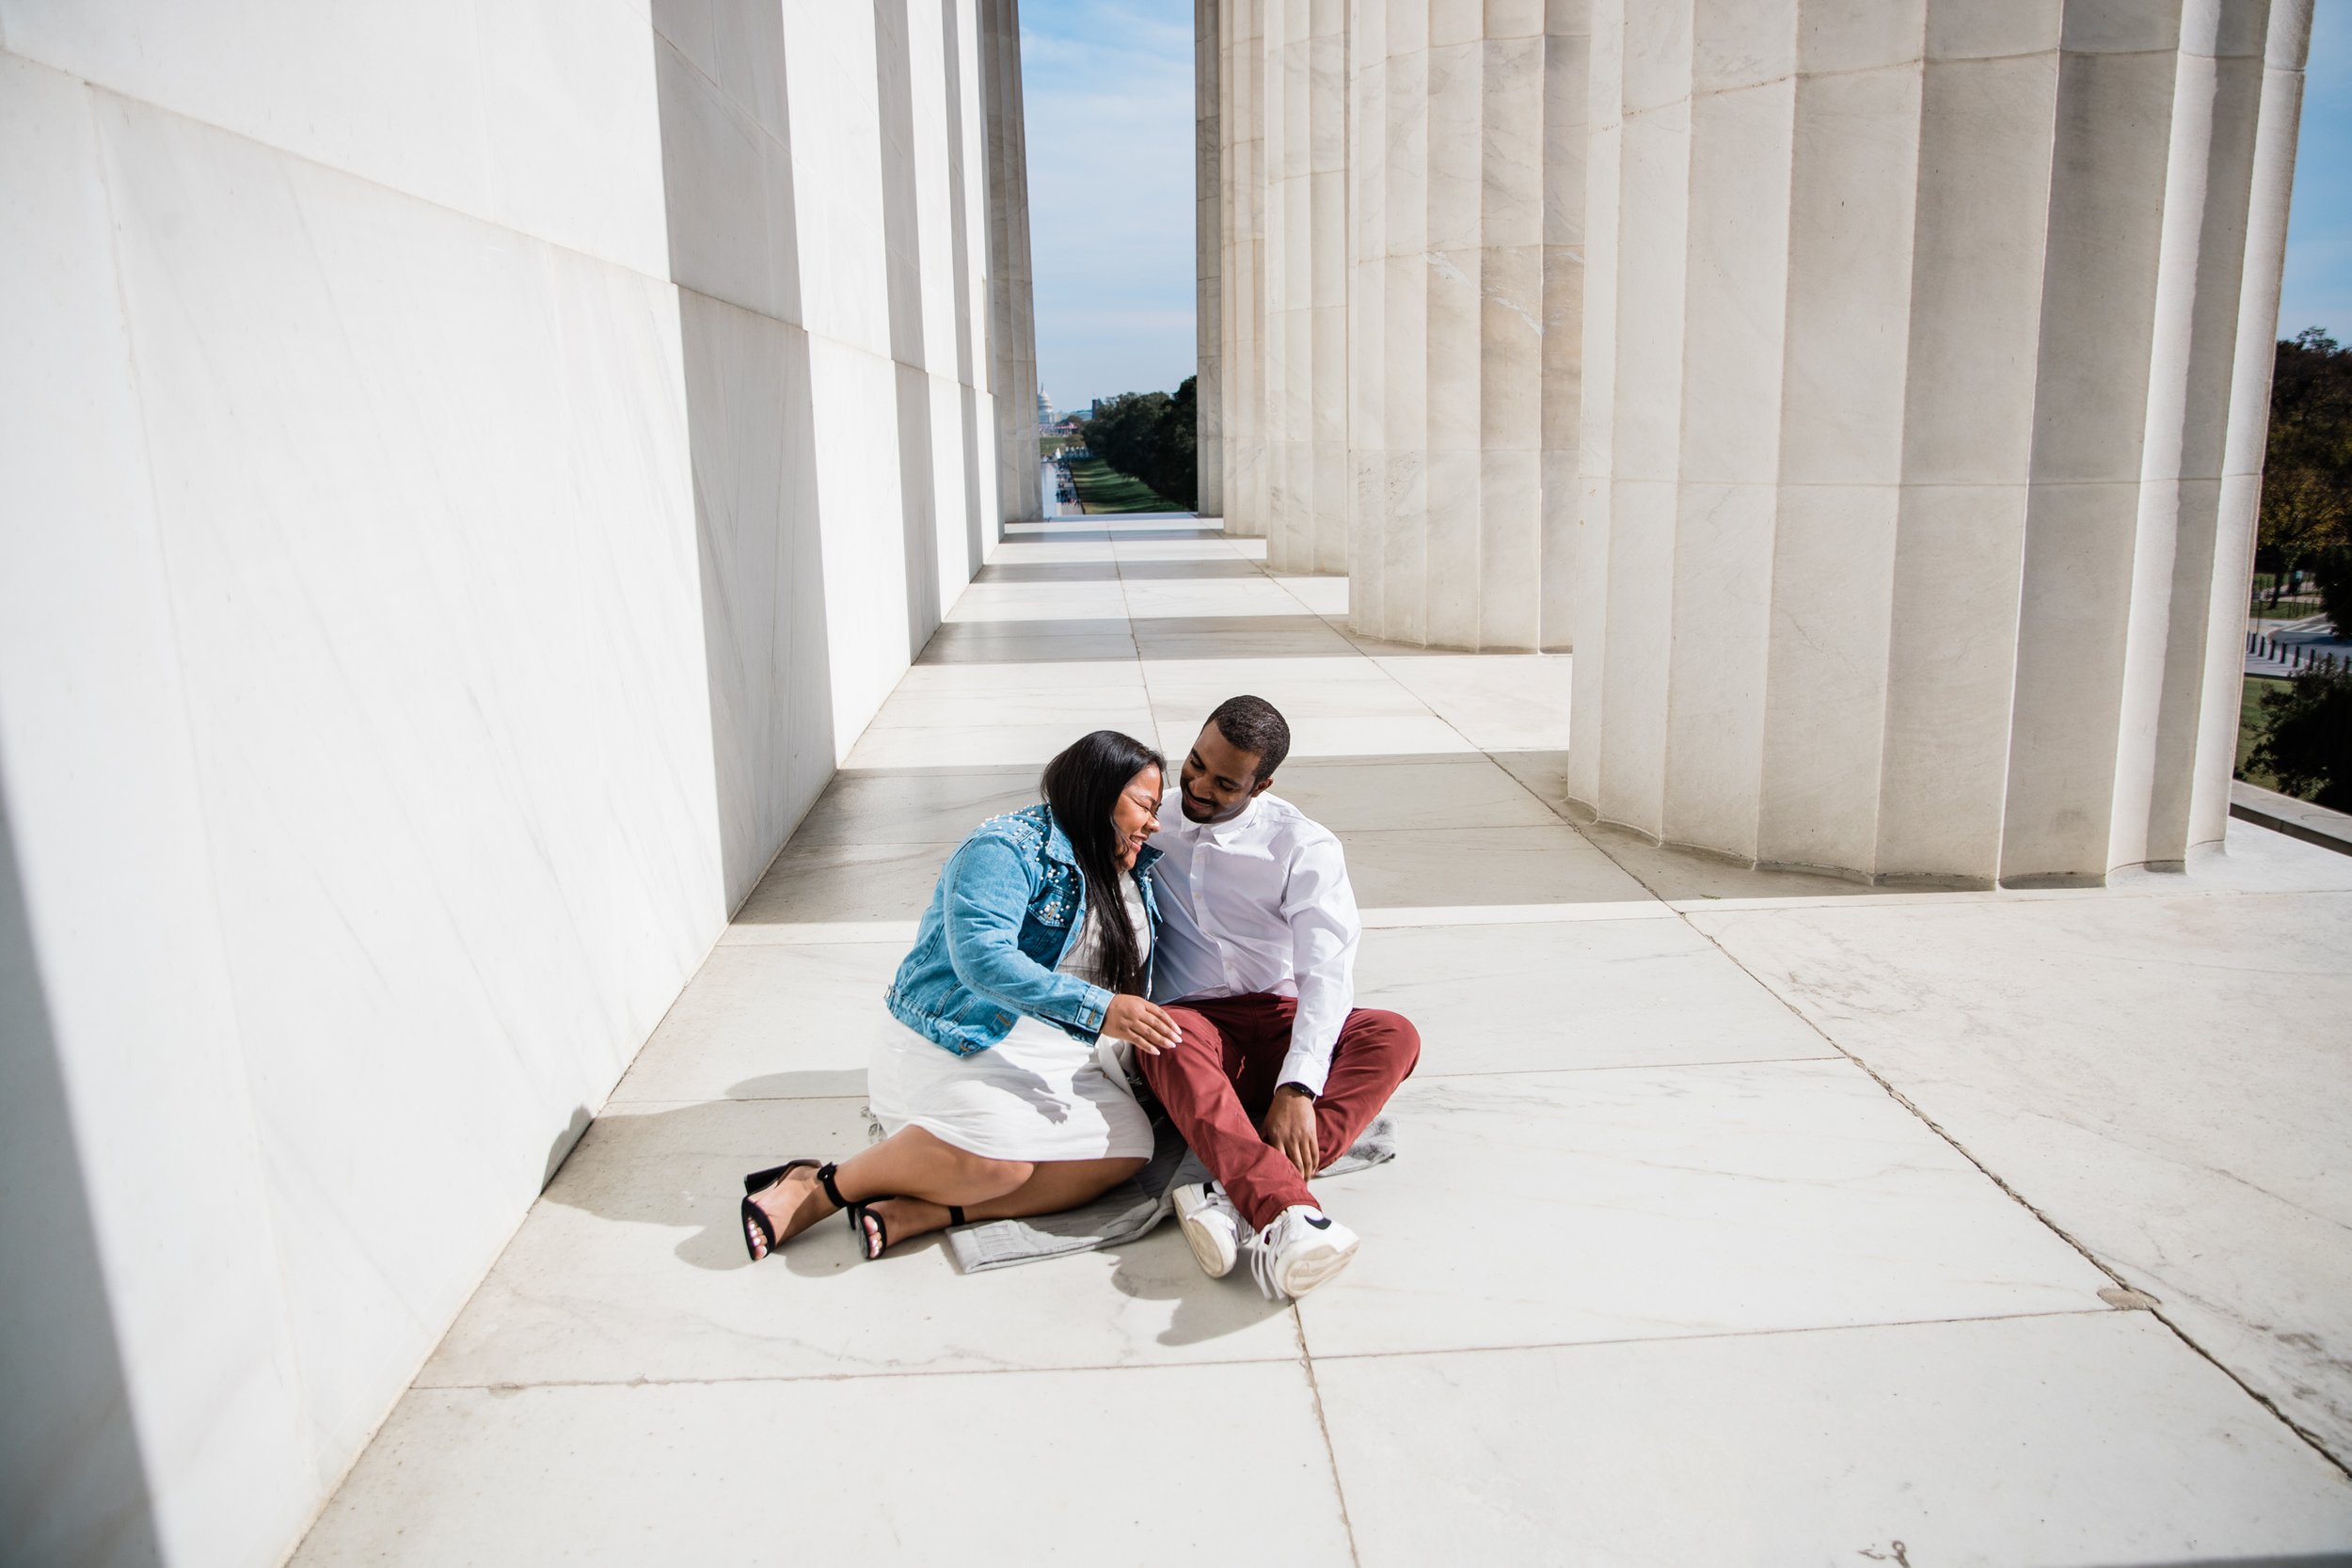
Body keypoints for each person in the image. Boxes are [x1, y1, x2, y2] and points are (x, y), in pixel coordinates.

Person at [739, 729, 1184, 1263]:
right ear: (1097, 789)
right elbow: (983, 958)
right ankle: (821, 1186)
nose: (1154, 822)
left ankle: (930, 1211)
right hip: (960, 1037)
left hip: (1053, 1055)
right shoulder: (1006, 847)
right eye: (1144, 804)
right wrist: (1100, 1009)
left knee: (1129, 1148)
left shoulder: (1131, 871)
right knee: (1002, 1163)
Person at [1142, 695, 1420, 1300]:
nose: (1198, 786)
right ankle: (1284, 1207)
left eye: (1224, 782)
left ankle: (1232, 1195)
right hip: (1200, 1026)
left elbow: (1327, 972)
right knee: (1163, 1034)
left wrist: (1298, 1087)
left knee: (1393, 1033)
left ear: (1261, 784)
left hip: (1281, 1014)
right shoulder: (1151, 821)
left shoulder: (1303, 845)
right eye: (1194, 764)